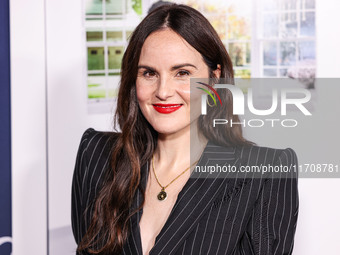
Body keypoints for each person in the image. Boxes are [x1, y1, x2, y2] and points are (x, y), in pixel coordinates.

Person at [71, 4, 299, 255]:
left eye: (182, 72)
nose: (163, 91)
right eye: (149, 73)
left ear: (214, 78)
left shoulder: (265, 171)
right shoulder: (95, 155)